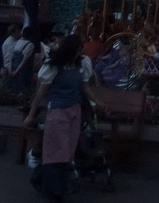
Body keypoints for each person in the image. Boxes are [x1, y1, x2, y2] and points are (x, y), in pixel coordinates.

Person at [23, 34, 101, 202]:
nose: (79, 53)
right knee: (57, 150)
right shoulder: (54, 66)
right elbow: (41, 93)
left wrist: (97, 101)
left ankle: (47, 182)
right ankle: (56, 189)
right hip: (58, 111)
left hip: (74, 110)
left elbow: (84, 86)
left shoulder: (82, 64)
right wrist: (31, 114)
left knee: (68, 151)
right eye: (77, 50)